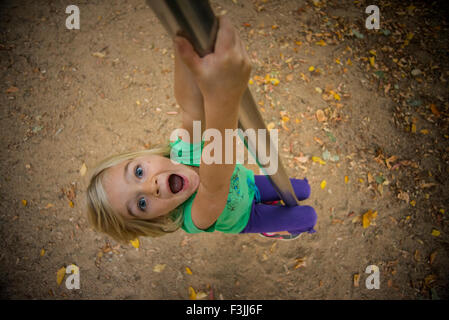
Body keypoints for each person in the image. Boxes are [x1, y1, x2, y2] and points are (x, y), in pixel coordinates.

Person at [86, 15, 317, 243]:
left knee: (303, 189)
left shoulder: (182, 154)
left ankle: (273, 202)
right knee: (308, 217)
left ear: (143, 156)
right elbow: (215, 186)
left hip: (248, 182)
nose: (150, 186)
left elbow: (192, 110)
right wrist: (225, 96)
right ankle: (273, 228)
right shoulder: (193, 217)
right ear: (155, 220)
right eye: (141, 204)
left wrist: (185, 43)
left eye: (138, 172)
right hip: (247, 217)